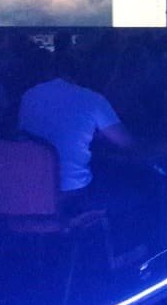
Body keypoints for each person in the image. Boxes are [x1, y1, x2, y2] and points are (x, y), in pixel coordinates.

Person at [18, 53, 133, 204]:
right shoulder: (92, 99)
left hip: (30, 186)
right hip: (72, 191)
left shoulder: (29, 95)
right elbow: (125, 142)